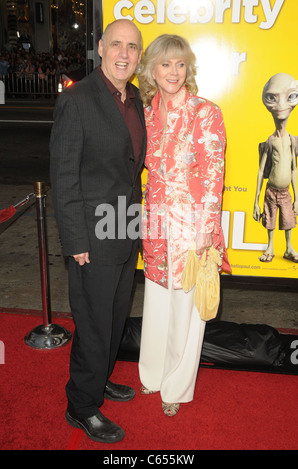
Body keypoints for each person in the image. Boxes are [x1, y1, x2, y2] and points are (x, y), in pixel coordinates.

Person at [50, 19, 146, 443]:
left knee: (113, 317)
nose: (124, 54)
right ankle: (81, 406)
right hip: (92, 235)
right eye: (117, 45)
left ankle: (100, 380)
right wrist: (75, 242)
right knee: (92, 324)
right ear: (101, 47)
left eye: (133, 47)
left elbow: (130, 170)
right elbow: (64, 176)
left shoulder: (135, 98)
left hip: (126, 229)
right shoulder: (78, 100)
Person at [137, 34, 230, 416]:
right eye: (165, 64)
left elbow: (214, 175)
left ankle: (176, 386)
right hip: (156, 218)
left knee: (187, 306)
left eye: (180, 64)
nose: (173, 72)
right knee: (157, 298)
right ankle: (153, 374)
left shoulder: (205, 112)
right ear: (152, 70)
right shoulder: (145, 113)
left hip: (192, 221)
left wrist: (206, 227)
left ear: (187, 69)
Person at [253, 73, 298, 263]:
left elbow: (294, 169)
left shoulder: (292, 140)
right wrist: (255, 201)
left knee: (288, 220)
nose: (280, 105)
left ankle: (288, 247)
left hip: (286, 191)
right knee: (269, 220)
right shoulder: (269, 142)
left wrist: (297, 197)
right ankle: (270, 247)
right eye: (272, 97)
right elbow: (261, 171)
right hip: (271, 190)